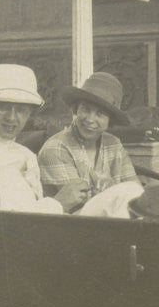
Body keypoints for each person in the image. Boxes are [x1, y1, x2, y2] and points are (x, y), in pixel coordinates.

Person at [0, 64, 88, 214]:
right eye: (3, 107)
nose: (11, 117)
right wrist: (58, 204)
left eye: (21, 110)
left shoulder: (27, 156)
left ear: (29, 113)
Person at [37, 72, 144, 218]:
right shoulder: (55, 148)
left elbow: (136, 191)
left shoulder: (113, 144)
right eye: (85, 109)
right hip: (70, 224)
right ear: (76, 110)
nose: (90, 119)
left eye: (100, 114)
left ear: (109, 120)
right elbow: (76, 203)